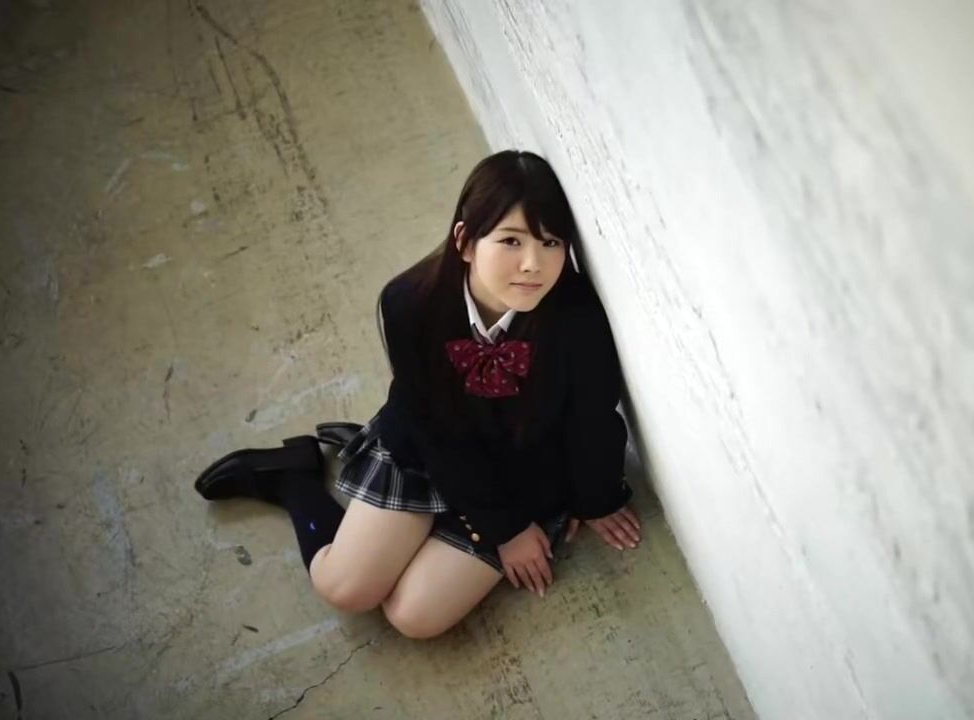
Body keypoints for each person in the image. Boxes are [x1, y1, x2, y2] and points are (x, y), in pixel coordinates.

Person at [194, 150, 642, 639]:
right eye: (511, 240)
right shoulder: (410, 302)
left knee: (414, 616)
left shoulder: (576, 319)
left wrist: (594, 499)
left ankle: (416, 529)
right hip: (432, 452)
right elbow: (429, 422)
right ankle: (295, 480)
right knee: (344, 589)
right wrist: (504, 530)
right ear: (465, 242)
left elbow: (592, 421)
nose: (533, 264)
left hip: (524, 475)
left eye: (551, 242)